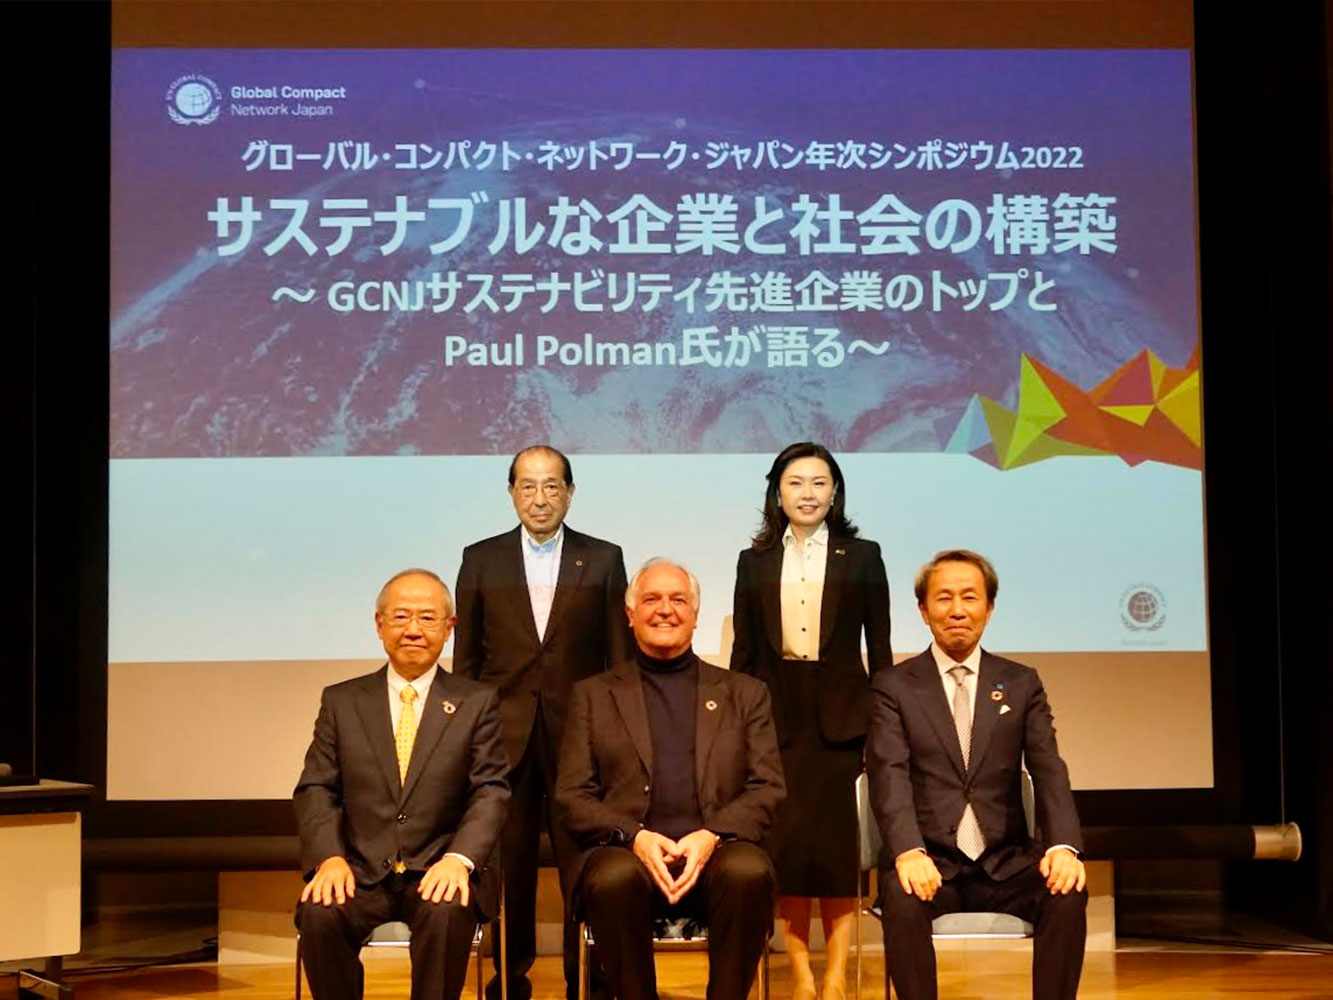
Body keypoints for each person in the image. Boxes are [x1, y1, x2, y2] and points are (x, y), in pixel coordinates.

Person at [556, 559, 785, 1000]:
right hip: (626, 855)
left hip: (717, 857)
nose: (665, 609)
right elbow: (572, 795)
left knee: (748, 871)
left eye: (678, 599)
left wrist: (712, 835)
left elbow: (767, 786)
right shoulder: (593, 695)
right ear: (630, 614)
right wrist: (635, 837)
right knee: (614, 878)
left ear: (695, 614)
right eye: (651, 599)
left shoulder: (745, 694)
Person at [867, 550, 1086, 1000]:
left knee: (1067, 890)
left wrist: (1063, 846)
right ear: (923, 610)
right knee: (902, 897)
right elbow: (888, 774)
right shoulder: (894, 686)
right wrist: (908, 851)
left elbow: (1048, 768)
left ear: (989, 608)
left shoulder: (1021, 682)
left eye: (970, 597)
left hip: (1006, 865)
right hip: (930, 864)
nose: (958, 610)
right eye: (944, 598)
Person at [454, 445, 632, 1000]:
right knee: (510, 864)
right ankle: (510, 976)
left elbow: (618, 658)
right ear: (511, 493)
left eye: (551, 486)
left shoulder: (602, 559)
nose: (540, 498)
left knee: (586, 858)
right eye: (528, 486)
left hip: (580, 736)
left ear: (570, 493)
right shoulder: (480, 559)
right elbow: (467, 663)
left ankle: (589, 974)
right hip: (502, 737)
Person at [294, 569, 510, 1000]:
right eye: (401, 617)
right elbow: (316, 787)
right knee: (320, 913)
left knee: (446, 912)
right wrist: (329, 858)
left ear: (449, 628)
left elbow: (491, 791)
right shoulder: (342, 701)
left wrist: (459, 860)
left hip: (439, 866)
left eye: (428, 618)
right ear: (379, 625)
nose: (413, 629)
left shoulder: (476, 702)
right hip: (359, 871)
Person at [729, 441, 892, 1000]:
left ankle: (835, 974)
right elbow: (745, 653)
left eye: (819, 483)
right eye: (795, 483)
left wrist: (883, 723)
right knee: (790, 850)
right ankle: (800, 974)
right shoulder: (753, 561)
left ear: (835, 492)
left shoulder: (862, 556)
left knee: (837, 854)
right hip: (777, 715)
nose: (808, 494)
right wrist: (735, 726)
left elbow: (881, 648)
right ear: (777, 493)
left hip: (843, 715)